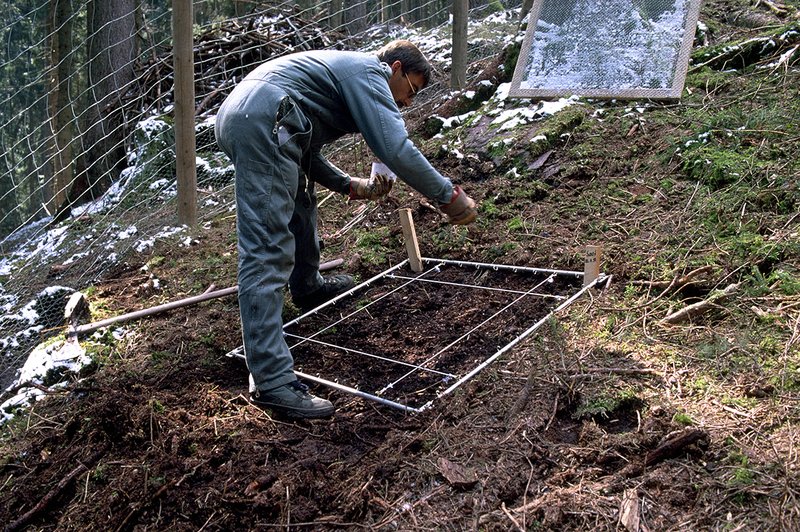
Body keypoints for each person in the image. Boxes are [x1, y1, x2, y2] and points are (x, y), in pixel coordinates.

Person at [214, 39, 478, 419]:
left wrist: (352, 186)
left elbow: (304, 149)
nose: (408, 103)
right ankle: (272, 381)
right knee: (267, 246)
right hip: (265, 118)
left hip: (261, 117)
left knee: (299, 207)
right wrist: (448, 195)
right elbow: (394, 147)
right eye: (412, 91)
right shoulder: (370, 72)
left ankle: (307, 287)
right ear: (397, 68)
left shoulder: (342, 75)